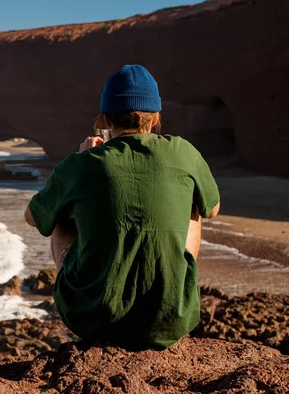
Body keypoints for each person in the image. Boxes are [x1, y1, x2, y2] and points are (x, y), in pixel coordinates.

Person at [24, 65, 220, 349]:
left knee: (61, 214)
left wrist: (83, 160)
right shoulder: (184, 152)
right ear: (154, 119)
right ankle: (172, 289)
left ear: (104, 118)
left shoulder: (82, 164)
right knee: (195, 206)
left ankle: (84, 292)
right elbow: (212, 209)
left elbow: (33, 218)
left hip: (91, 318)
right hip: (169, 319)